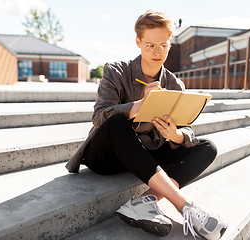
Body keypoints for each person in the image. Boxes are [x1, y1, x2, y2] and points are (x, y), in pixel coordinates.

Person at [65, 9, 227, 240]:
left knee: (207, 147)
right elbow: (99, 117)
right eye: (150, 45)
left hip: (145, 154)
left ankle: (144, 201)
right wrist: (140, 105)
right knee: (117, 122)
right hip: (106, 156)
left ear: (170, 44)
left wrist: (176, 135)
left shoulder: (174, 83)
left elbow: (187, 129)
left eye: (163, 45)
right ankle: (185, 205)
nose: (157, 51)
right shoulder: (116, 71)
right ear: (138, 43)